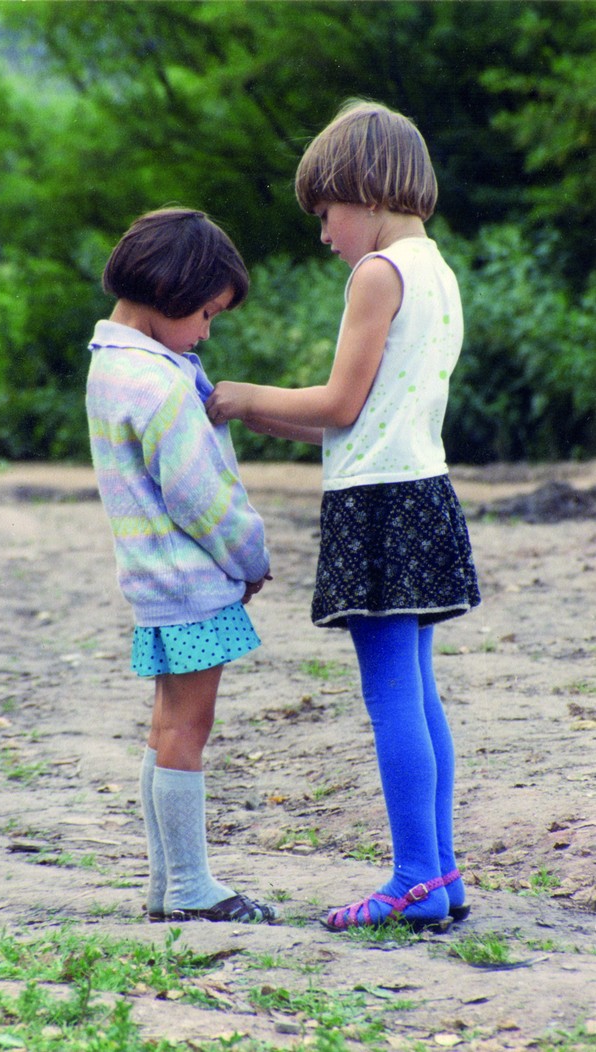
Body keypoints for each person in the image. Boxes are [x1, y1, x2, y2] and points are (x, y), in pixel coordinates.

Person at [206, 100, 480, 932]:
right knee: (419, 691)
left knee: (392, 694)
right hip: (423, 493)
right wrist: (255, 414)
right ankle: (440, 873)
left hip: (379, 506)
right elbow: (356, 417)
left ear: (367, 190)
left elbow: (337, 402)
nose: (325, 234)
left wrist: (241, 395)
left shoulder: (378, 273)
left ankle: (413, 878)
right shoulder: (437, 271)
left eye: (326, 213)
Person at [86, 207, 276, 924]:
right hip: (192, 584)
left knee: (167, 728)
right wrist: (251, 558)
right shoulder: (159, 385)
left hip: (154, 584)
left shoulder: (112, 366)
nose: (205, 333)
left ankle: (168, 887)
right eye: (204, 314)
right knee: (187, 731)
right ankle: (191, 888)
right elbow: (201, 498)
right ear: (169, 291)